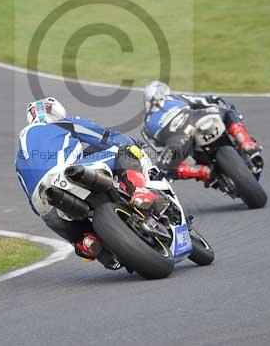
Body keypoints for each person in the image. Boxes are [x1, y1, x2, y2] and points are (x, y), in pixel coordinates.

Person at [15, 97, 166, 267]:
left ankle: (88, 243)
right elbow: (104, 137)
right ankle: (140, 191)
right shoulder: (63, 123)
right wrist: (133, 143)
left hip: (43, 204)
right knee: (123, 151)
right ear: (56, 110)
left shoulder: (20, 155)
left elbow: (29, 193)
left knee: (80, 237)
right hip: (67, 174)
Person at [142, 81, 263, 184]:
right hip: (197, 119)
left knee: (163, 169)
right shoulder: (175, 98)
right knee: (227, 111)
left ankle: (200, 171)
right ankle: (246, 143)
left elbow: (157, 146)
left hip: (178, 142)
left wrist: (166, 159)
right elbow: (204, 100)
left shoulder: (146, 123)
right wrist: (215, 100)